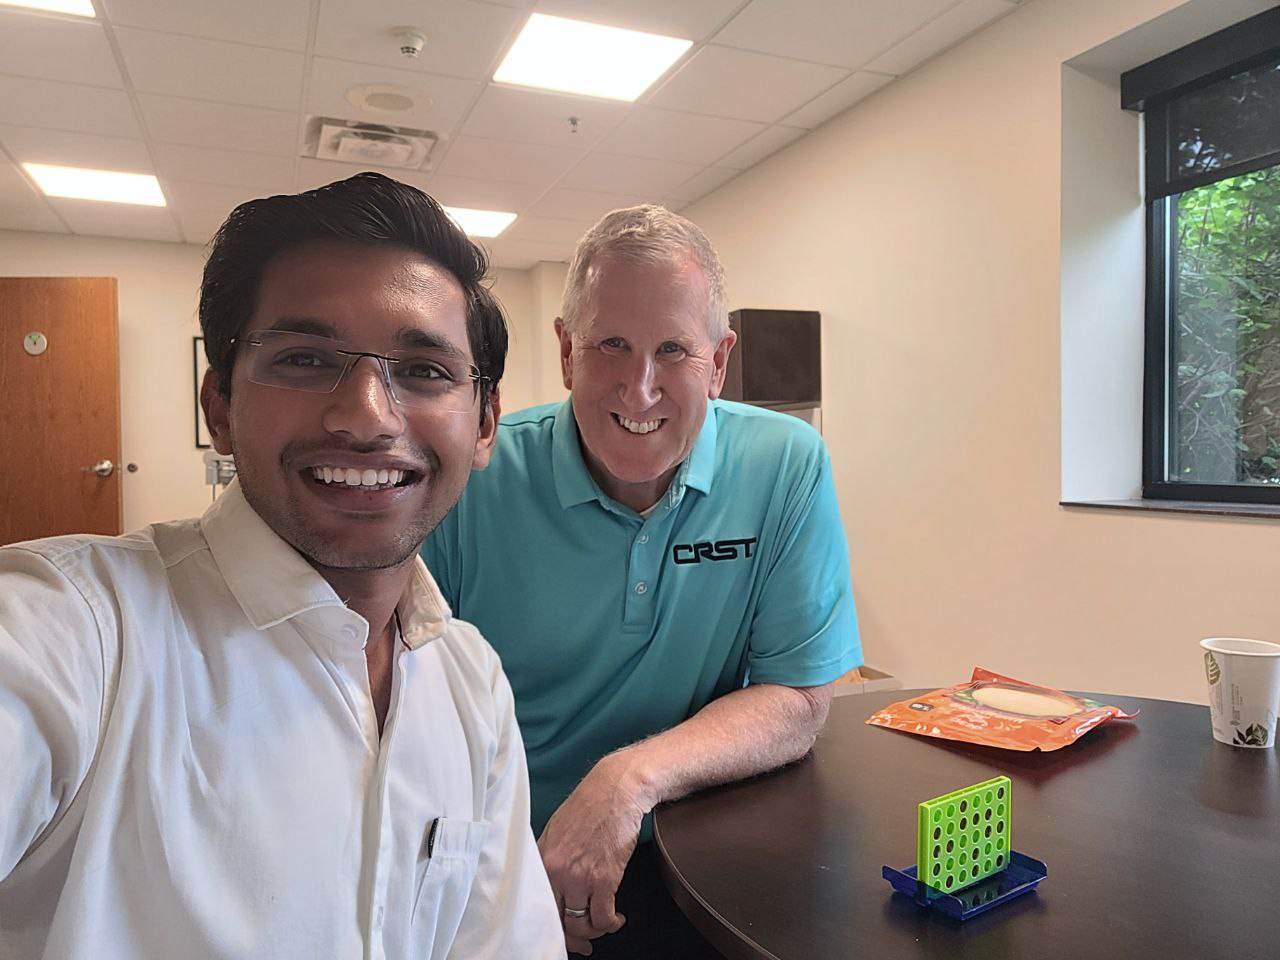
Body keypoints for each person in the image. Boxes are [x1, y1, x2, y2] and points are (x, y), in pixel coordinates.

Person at [0, 174, 564, 960]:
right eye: (304, 358)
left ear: (484, 424)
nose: (367, 414)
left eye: (425, 370)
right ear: (219, 406)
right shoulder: (77, 632)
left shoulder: (471, 681)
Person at [421, 205, 861, 957]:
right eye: (611, 345)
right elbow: (410, 711)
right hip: (511, 860)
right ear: (565, 352)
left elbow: (799, 698)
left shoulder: (786, 464)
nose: (641, 387)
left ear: (718, 362)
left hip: (703, 840)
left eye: (673, 350)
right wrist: (498, 879)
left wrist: (629, 780)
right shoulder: (475, 478)